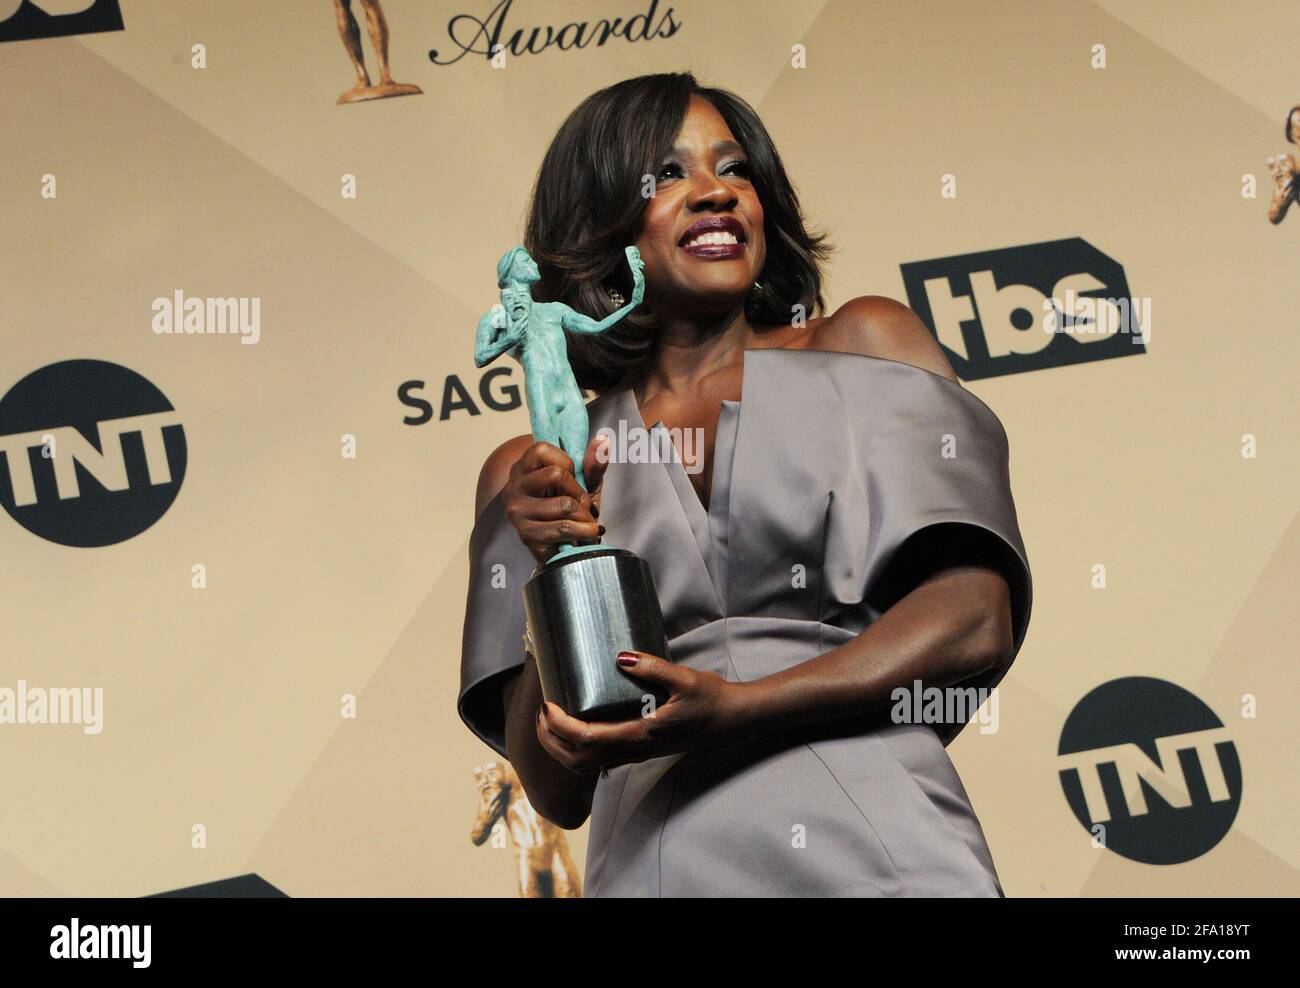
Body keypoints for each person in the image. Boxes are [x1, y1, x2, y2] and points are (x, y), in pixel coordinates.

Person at [458, 72, 1033, 896]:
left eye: (735, 171)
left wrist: (740, 706)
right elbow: (555, 788)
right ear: (600, 223)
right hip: (661, 868)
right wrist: (547, 567)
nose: (714, 195)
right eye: (666, 176)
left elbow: (976, 619)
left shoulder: (863, 344)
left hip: (882, 849)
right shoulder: (534, 467)